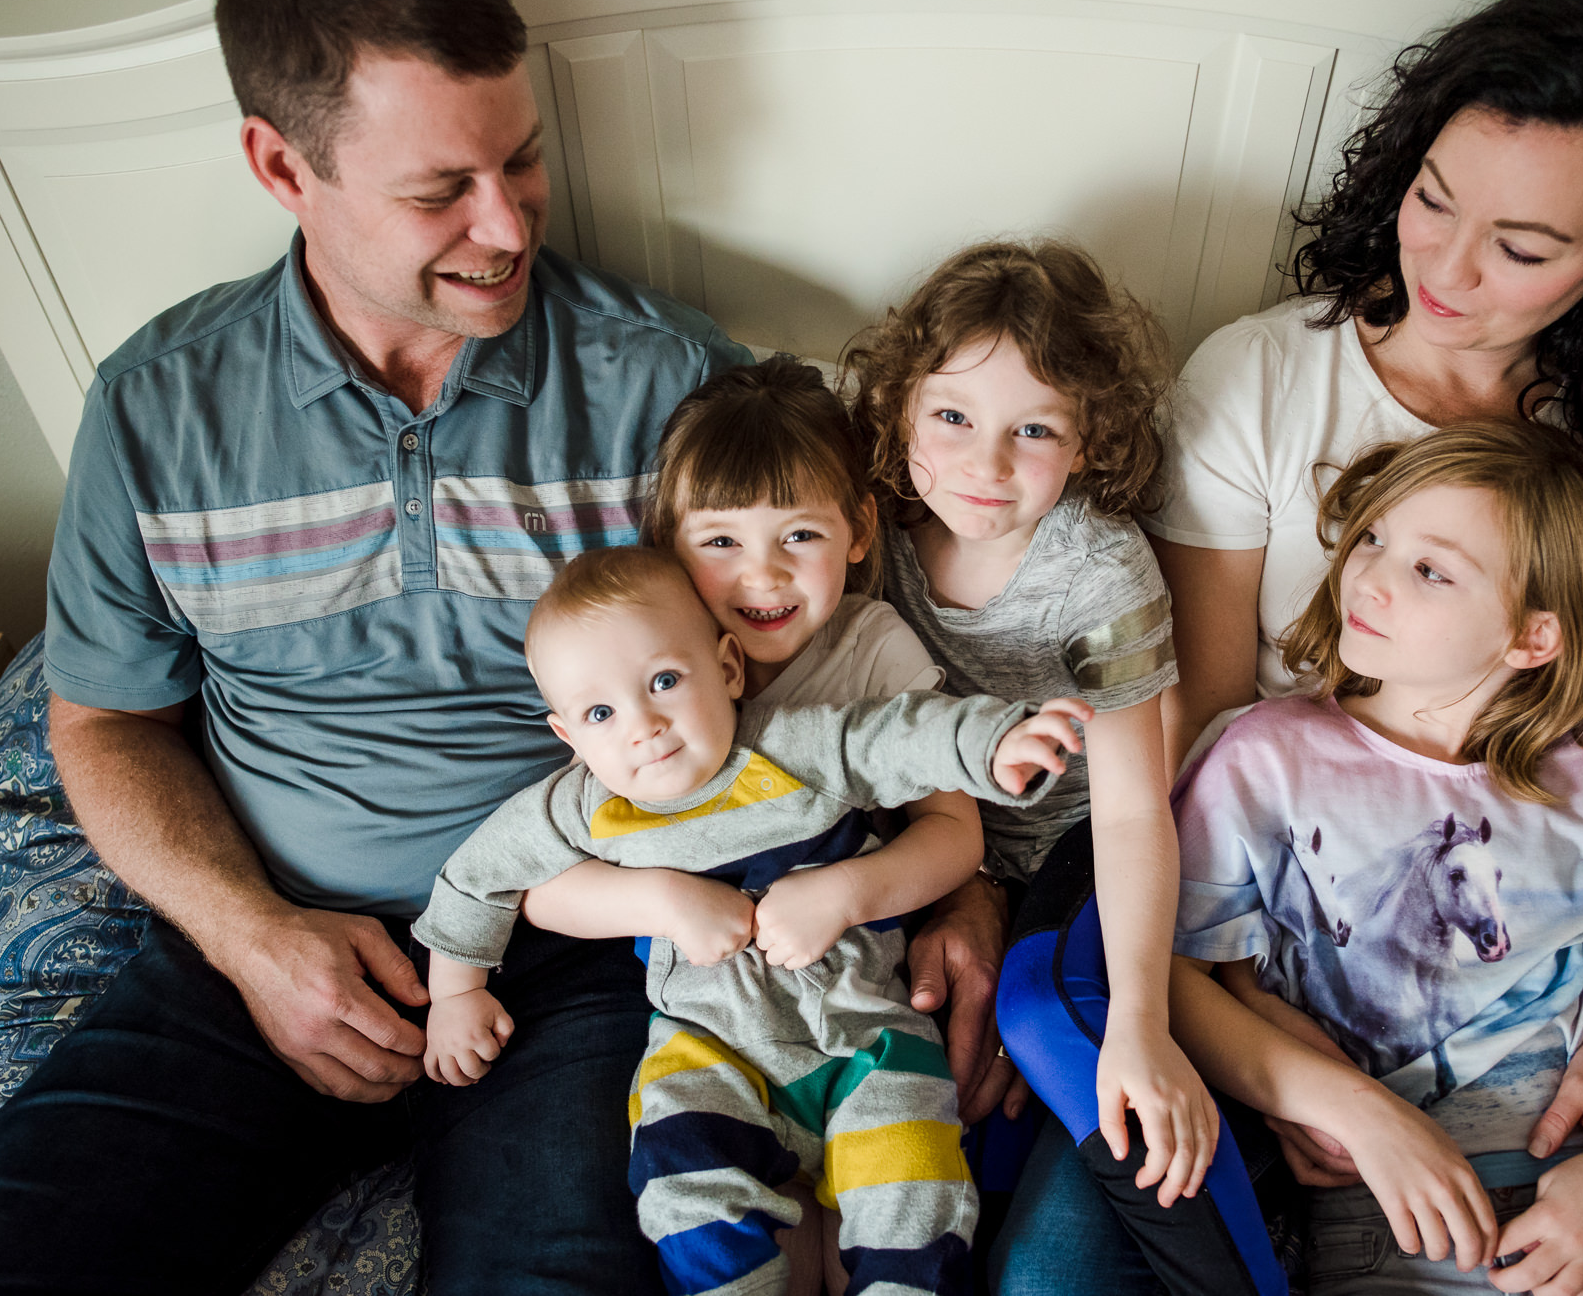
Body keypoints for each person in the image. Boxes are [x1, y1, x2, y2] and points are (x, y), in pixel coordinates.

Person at [1003, 0, 1583, 1295]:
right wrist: (1271, 1034)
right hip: (1270, 903)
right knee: (1054, 1277)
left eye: (1524, 245)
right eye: (1435, 196)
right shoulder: (1262, 379)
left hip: (1564, 906)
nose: (1446, 267)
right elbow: (1196, 741)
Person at [0, 0, 767, 1291]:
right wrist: (253, 939)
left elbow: (803, 669)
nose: (506, 224)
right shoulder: (157, 408)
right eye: (440, 190)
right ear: (280, 163)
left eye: (523, 161)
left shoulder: (664, 383)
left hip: (579, 936)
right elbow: (103, 714)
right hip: (267, 932)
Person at [1165, 423, 1583, 1295]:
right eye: (1372, 537)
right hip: (1381, 1220)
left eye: (1430, 570)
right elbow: (1173, 978)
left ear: (1534, 637)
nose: (1368, 575)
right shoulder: (1260, 758)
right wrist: (1351, 1110)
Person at [412, 544, 1090, 1295]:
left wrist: (993, 743)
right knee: (682, 1174)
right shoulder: (585, 807)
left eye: (665, 680)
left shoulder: (789, 746)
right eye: (601, 712)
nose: (643, 725)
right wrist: (456, 993)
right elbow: (476, 876)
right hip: (711, 1043)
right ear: (568, 736)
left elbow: (899, 736)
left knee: (913, 1185)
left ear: (728, 669)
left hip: (864, 1029)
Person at [521, 353, 983, 1292]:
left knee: (913, 1174)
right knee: (683, 1175)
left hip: (856, 1006)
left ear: (857, 533)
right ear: (669, 545)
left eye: (799, 534)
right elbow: (544, 881)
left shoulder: (868, 652)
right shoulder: (641, 668)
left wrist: (847, 888)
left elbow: (954, 829)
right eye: (721, 541)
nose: (762, 573)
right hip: (708, 1022)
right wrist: (658, 897)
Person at [845, 241, 1219, 1220]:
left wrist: (1143, 1023)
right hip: (932, 839)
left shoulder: (1099, 572)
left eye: (1034, 430)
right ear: (899, 410)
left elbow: (1135, 811)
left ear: (1088, 441)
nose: (985, 464)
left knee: (1038, 1020)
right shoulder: (865, 535)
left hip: (1072, 849)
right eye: (953, 416)